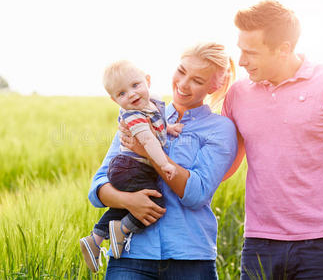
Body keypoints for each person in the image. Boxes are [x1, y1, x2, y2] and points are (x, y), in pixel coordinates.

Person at [222, 0, 323, 280]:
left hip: (320, 245)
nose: (241, 61)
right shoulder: (238, 94)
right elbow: (221, 166)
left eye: (251, 52)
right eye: (240, 50)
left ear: (284, 49)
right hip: (258, 243)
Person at [87, 42, 238, 279]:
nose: (183, 84)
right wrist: (129, 201)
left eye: (197, 80)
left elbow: (196, 193)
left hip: (189, 258)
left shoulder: (220, 129)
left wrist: (149, 152)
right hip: (130, 255)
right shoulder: (137, 114)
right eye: (181, 71)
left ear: (214, 85)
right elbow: (98, 186)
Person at [79, 60, 184, 272]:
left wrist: (169, 128)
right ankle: (123, 229)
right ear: (114, 99)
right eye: (122, 94)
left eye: (135, 86)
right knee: (155, 201)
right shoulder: (133, 115)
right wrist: (163, 164)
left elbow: (157, 125)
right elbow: (148, 142)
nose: (132, 94)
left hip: (128, 167)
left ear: (148, 80)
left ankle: (96, 238)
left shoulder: (151, 104)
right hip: (130, 167)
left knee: (127, 204)